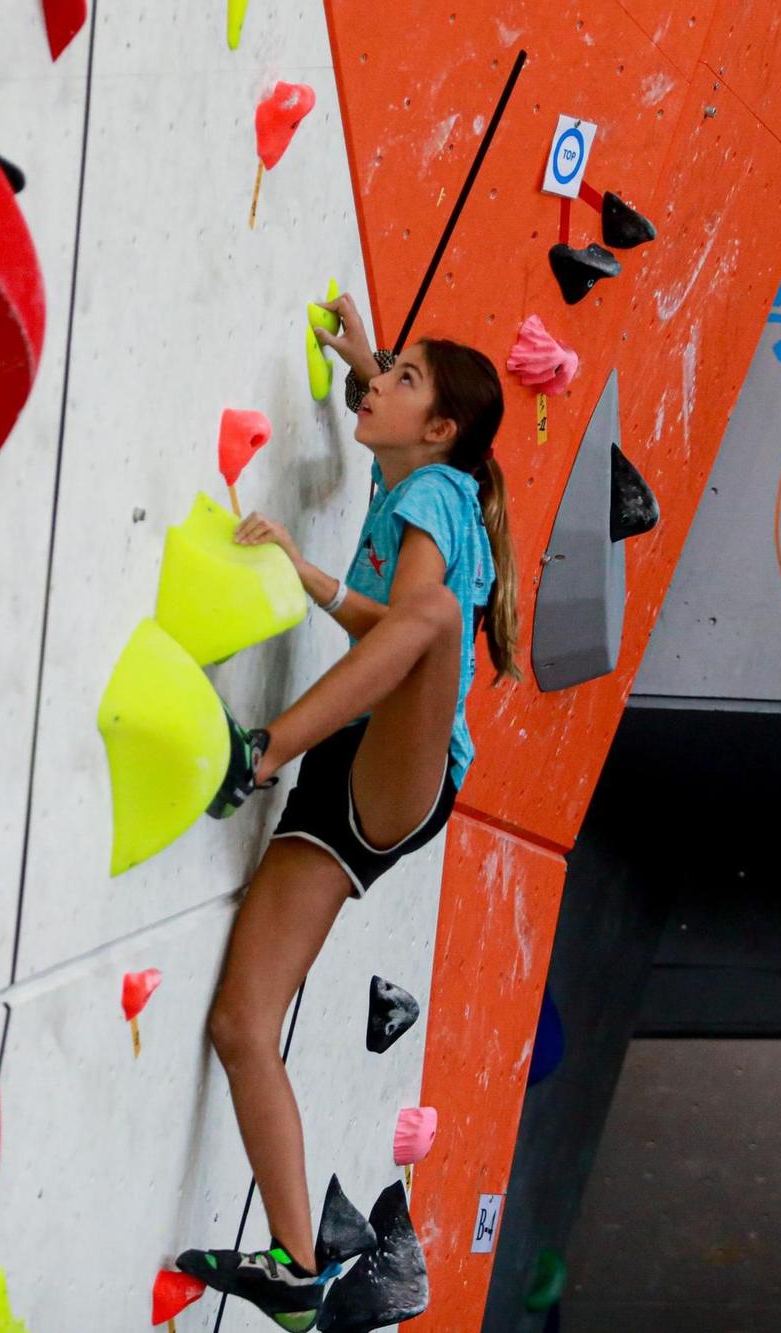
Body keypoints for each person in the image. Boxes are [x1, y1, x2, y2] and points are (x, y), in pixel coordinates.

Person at [173, 293, 519, 1331]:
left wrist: (276, 730)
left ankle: (258, 748)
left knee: (433, 617)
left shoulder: (441, 495)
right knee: (243, 1020)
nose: (376, 388)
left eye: (402, 381)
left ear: (442, 428)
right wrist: (367, 359)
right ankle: (292, 1264)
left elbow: (414, 625)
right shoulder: (415, 479)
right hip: (351, 780)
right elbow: (393, 602)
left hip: (397, 765)